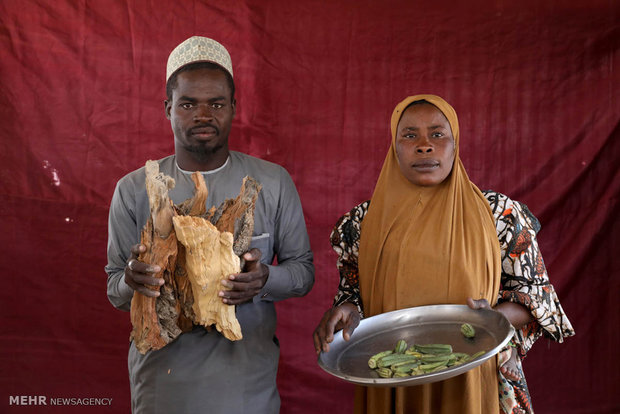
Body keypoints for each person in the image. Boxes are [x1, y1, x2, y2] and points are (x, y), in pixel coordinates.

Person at [313, 94, 574, 413]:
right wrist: (348, 309)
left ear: (455, 144)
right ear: (393, 147)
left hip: (475, 377)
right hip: (396, 375)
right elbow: (353, 292)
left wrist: (494, 319)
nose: (425, 145)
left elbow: (538, 297)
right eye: (409, 135)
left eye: (438, 134)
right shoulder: (361, 224)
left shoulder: (499, 215)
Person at [106, 36, 314, 414]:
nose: (203, 115)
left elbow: (303, 274)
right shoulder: (135, 189)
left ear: (234, 108)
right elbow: (115, 291)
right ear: (168, 108)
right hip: (162, 388)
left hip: (247, 388)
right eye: (188, 104)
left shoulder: (271, 181)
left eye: (216, 103)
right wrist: (132, 281)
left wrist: (264, 279)